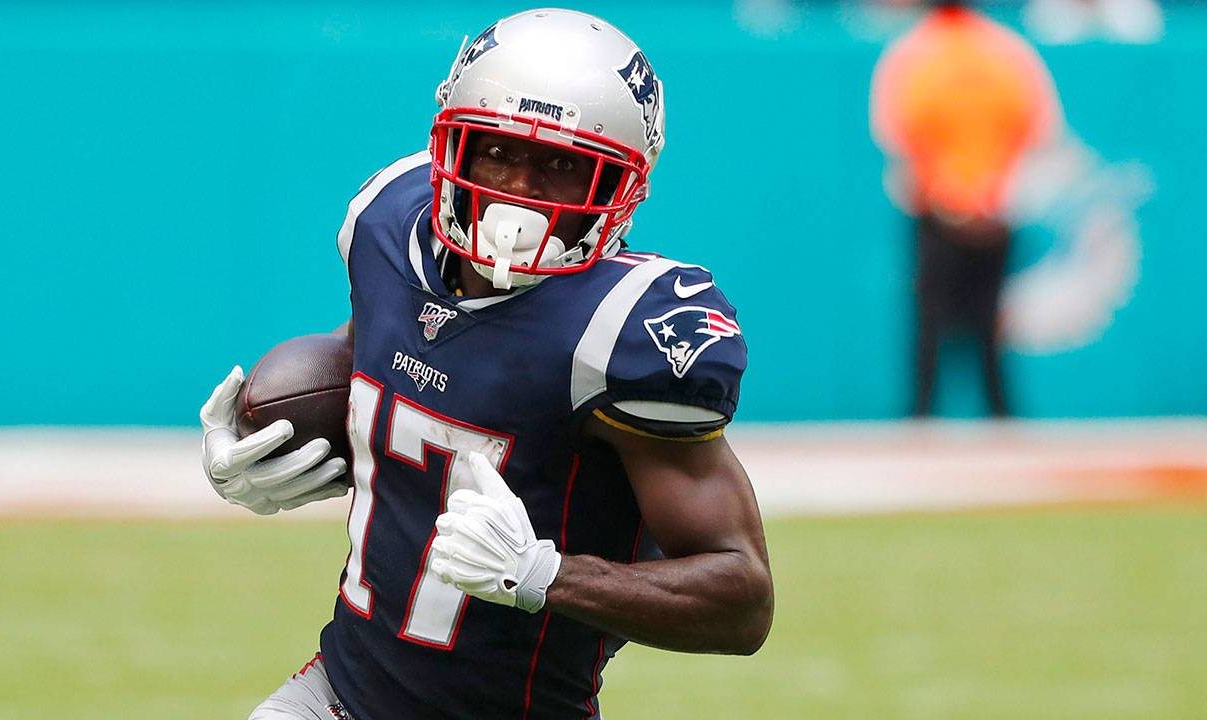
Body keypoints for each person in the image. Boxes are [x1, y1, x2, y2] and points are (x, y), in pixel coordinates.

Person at [198, 9, 773, 720]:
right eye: (497, 150)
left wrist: (543, 574)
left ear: (620, 186)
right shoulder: (390, 227)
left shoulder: (624, 330)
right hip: (335, 694)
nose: (519, 191)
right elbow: (390, 373)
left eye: (563, 164)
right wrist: (267, 445)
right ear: (454, 148)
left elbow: (742, 600)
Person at [870, 0, 1061, 417]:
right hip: (985, 212)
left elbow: (893, 136)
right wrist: (992, 196)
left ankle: (928, 416)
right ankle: (986, 416)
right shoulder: (1008, 49)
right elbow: (1042, 132)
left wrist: (949, 195)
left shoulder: (912, 51)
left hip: (948, 212)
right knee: (978, 324)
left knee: (942, 324)